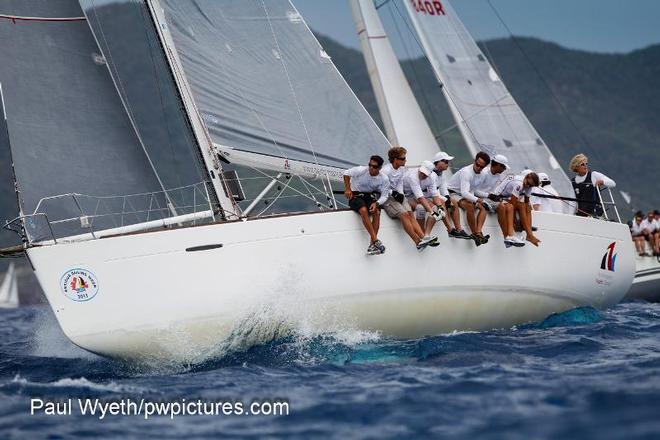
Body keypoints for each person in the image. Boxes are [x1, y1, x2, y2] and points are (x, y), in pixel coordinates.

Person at [380, 147, 428, 249]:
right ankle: (417, 241)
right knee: (405, 215)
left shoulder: (401, 169)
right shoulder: (386, 170)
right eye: (403, 158)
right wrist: (393, 193)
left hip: (397, 195)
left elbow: (399, 182)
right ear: (395, 159)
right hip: (386, 197)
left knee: (410, 213)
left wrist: (400, 194)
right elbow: (381, 187)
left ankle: (424, 237)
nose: (405, 160)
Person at [343, 155, 389, 255]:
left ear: (380, 168)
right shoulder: (361, 170)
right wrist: (347, 189)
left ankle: (372, 245)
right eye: (370, 165)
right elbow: (346, 173)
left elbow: (385, 196)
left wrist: (376, 203)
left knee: (376, 211)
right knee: (363, 210)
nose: (371, 168)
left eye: (374, 167)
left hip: (368, 196)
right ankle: (375, 240)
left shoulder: (384, 178)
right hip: (356, 194)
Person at [446, 151, 490, 246]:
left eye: (481, 167)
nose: (478, 168)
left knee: (483, 208)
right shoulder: (466, 172)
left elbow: (473, 189)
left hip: (465, 194)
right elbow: (464, 192)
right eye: (477, 164)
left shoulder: (483, 174)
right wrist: (477, 200)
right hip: (453, 193)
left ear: (485, 167)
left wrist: (482, 199)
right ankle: (475, 235)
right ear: (474, 161)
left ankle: (478, 232)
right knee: (470, 206)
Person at [492, 171, 542, 247]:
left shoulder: (528, 185)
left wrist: (525, 223)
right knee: (518, 206)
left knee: (527, 207)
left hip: (507, 197)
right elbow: (512, 203)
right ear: (526, 177)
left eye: (531, 185)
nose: (528, 185)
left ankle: (529, 234)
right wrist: (515, 221)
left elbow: (527, 202)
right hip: (498, 196)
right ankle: (525, 231)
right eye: (528, 183)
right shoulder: (519, 184)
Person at [402, 161, 440, 250]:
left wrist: (440, 207)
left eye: (425, 174)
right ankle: (423, 236)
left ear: (430, 174)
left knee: (436, 208)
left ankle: (425, 236)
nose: (422, 175)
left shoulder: (433, 177)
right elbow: (420, 198)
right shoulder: (412, 176)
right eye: (421, 172)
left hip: (414, 195)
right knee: (421, 208)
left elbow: (435, 194)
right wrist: (431, 212)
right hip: (404, 195)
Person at [430, 151, 469, 239]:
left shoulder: (440, 174)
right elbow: (431, 192)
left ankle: (459, 230)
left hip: (434, 196)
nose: (448, 164)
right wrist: (445, 199)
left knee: (453, 202)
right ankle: (450, 230)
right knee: (442, 203)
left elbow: (443, 188)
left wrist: (447, 197)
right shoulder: (431, 174)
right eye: (446, 162)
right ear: (438, 162)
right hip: (426, 196)